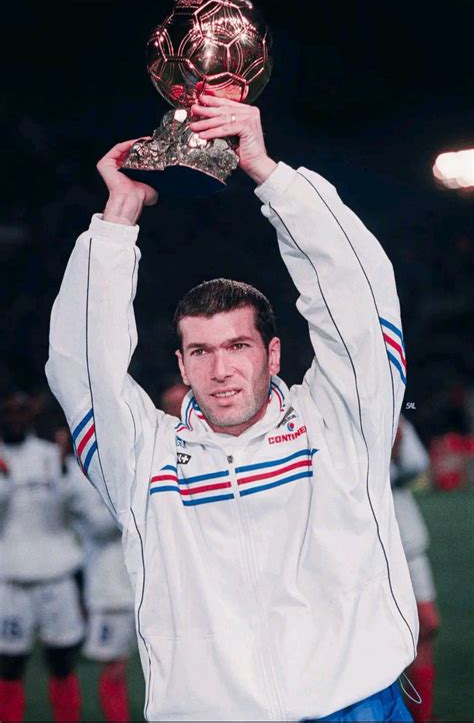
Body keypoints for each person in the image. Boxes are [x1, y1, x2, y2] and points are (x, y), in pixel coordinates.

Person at [46, 91, 418, 722]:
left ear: (273, 354)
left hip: (355, 707)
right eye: (201, 351)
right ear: (182, 365)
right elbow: (81, 369)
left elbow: (359, 296)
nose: (220, 370)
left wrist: (269, 176)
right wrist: (117, 220)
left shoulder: (340, 422)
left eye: (238, 346)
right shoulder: (141, 462)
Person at [0, 392, 84, 723]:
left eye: (20, 412)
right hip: (10, 578)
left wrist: (65, 467)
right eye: (7, 412)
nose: (14, 418)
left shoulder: (50, 455)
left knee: (62, 661)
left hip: (56, 575)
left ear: (30, 417)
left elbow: (75, 505)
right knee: (9, 664)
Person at [391, 415, 441, 722]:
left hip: (409, 540)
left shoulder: (395, 414)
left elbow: (417, 464)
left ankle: (423, 715)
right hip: (371, 544)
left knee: (427, 625)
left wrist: (396, 448)